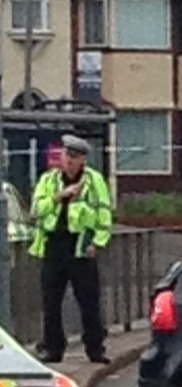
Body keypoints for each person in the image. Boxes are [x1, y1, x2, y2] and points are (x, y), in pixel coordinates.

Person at [29, 135, 113, 364]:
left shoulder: (95, 181)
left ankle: (95, 349)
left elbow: (104, 215)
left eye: (74, 157)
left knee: (88, 301)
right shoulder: (48, 180)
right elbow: (36, 210)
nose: (69, 161)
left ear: (83, 159)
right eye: (66, 156)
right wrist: (60, 196)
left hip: (81, 247)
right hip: (54, 246)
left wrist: (97, 243)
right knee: (51, 302)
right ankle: (53, 348)